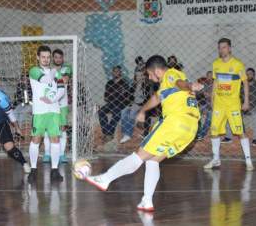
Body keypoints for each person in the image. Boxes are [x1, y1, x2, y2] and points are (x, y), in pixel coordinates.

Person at [85, 55, 203, 211]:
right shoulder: (166, 86)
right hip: (190, 129)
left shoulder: (171, 74)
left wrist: (189, 85)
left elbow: (180, 83)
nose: (148, 77)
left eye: (148, 73)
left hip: (175, 122)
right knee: (153, 160)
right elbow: (157, 97)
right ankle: (147, 200)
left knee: (139, 155)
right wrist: (142, 111)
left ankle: (105, 179)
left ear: (156, 70)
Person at [204, 38, 254, 171]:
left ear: (230, 48)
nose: (222, 50)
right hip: (219, 104)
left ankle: (248, 161)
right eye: (220, 47)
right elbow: (215, 82)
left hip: (233, 105)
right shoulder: (216, 64)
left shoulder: (238, 64)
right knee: (214, 132)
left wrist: (246, 101)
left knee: (240, 132)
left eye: (224, 47)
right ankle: (216, 159)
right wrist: (212, 98)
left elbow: (245, 82)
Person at [28, 45, 66, 183]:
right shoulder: (33, 70)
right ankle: (33, 170)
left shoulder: (56, 73)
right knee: (36, 140)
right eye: (43, 57)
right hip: (39, 112)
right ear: (38, 57)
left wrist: (51, 99)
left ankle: (55, 170)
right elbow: (46, 80)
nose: (46, 59)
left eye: (48, 57)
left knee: (55, 139)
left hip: (54, 111)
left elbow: (61, 90)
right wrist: (54, 72)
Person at [44, 48, 72, 163]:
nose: (58, 59)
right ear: (52, 58)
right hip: (49, 103)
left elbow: (65, 80)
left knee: (62, 129)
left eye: (60, 57)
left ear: (63, 58)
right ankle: (47, 154)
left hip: (62, 103)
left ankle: (61, 155)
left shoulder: (67, 68)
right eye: (55, 57)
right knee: (47, 129)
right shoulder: (46, 69)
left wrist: (54, 73)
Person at [119, 56, 150, 144]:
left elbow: (149, 97)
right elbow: (130, 96)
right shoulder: (133, 85)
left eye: (140, 75)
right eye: (137, 76)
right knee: (124, 111)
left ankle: (141, 134)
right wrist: (130, 102)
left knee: (134, 114)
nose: (138, 77)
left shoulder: (147, 85)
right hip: (136, 104)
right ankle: (127, 134)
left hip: (145, 105)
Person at [98, 66, 130, 142]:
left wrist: (114, 95)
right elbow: (106, 97)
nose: (116, 73)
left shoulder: (124, 83)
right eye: (114, 71)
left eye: (117, 71)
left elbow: (126, 98)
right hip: (111, 103)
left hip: (120, 104)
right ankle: (108, 133)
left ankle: (108, 134)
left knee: (116, 112)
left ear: (120, 72)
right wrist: (115, 96)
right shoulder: (109, 83)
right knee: (101, 112)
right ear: (112, 73)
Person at [243, 68, 256, 146]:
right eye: (247, 74)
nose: (248, 75)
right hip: (244, 106)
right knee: (233, 113)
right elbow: (240, 96)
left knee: (255, 115)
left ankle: (255, 139)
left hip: (255, 106)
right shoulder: (243, 84)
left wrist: (250, 105)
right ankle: (237, 136)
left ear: (254, 75)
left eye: (250, 74)